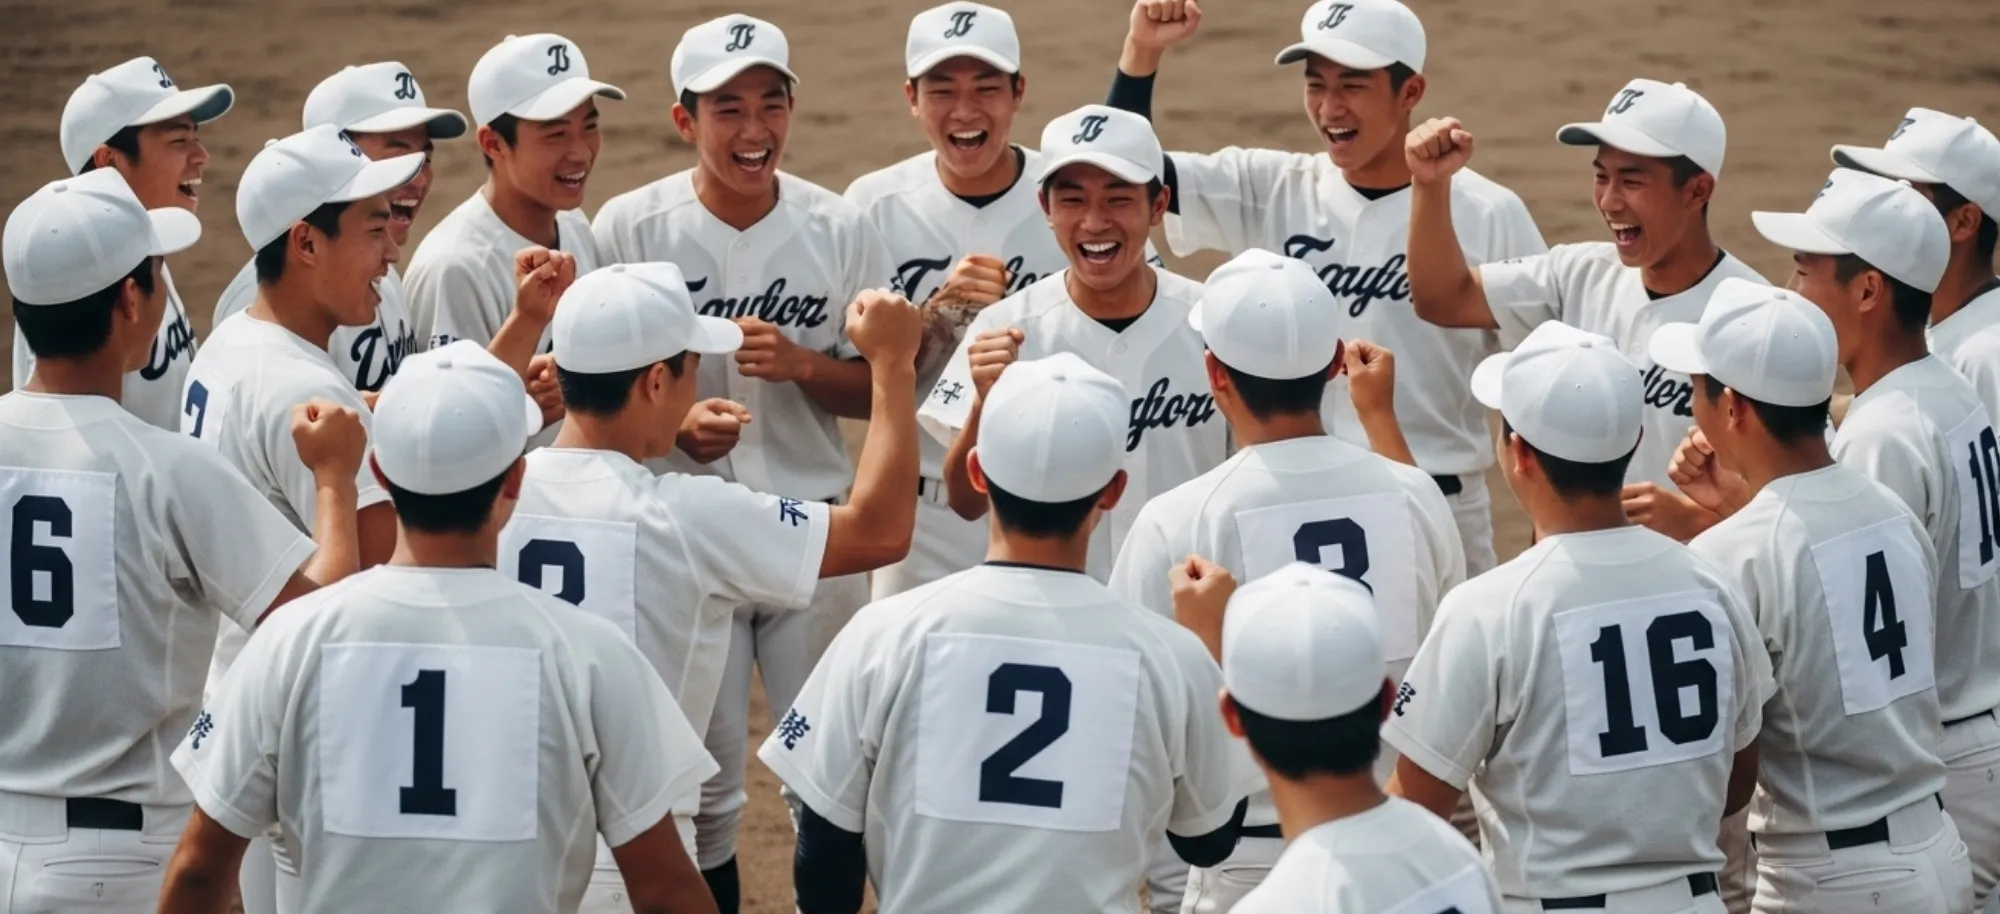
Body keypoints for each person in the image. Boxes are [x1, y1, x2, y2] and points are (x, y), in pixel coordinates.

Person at [157, 342, 720, 914]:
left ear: (378, 470)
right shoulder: (592, 654)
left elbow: (200, 871)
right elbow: (665, 889)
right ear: (515, 480)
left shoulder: (288, 640)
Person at [759, 353, 1258, 914]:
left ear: (977, 471)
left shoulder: (883, 632)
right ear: (1113, 490)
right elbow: (1209, 840)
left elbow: (825, 848)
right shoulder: (1171, 654)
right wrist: (1213, 652)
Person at [589, 17, 895, 904]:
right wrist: (679, 429)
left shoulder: (839, 226)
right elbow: (600, 388)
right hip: (683, 536)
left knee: (830, 781)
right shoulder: (630, 227)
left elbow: (881, 391)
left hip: (815, 528)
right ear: (684, 120)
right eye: (729, 108)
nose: (754, 128)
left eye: (771, 103)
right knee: (706, 788)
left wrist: (805, 367)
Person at [505, 264, 923, 913]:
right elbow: (880, 531)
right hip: (633, 873)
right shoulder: (685, 514)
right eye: (693, 366)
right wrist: (894, 367)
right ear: (655, 380)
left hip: (499, 859)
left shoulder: (490, 495)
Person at [0, 167, 363, 914]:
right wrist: (333, 480)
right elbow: (316, 620)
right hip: (128, 869)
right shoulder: (166, 469)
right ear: (130, 300)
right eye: (156, 272)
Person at [1104, 0, 1545, 576]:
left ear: (1410, 92)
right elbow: (1112, 171)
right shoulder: (1273, 186)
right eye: (1316, 84)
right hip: (1278, 501)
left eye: (1352, 86)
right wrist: (1141, 54)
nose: (1330, 107)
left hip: (1439, 499)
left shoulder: (1488, 212)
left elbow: (1540, 372)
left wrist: (1546, 528)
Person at [1106, 248, 1461, 912]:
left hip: (1247, 863)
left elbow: (1134, 718)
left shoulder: (1177, 519)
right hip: (1402, 842)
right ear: (1333, 364)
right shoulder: (1415, 493)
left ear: (1215, 372)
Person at [1385, 320, 1771, 913]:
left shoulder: (1490, 606)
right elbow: (1736, 781)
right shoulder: (1711, 582)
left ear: (1518, 453)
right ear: (1633, 437)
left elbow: (1414, 809)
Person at [1650, 278, 1972, 912]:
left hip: (1835, 880)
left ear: (1734, 407)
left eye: (1698, 387)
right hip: (1938, 847)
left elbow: (1726, 778)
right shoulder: (1888, 506)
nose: (1692, 403)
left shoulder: (1733, 552)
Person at [849, 1, 1164, 598]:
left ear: (1018, 92)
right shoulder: (872, 204)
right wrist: (933, 324)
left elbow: (1144, 315)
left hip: (1061, 499)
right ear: (911, 97)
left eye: (986, 87)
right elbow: (856, 380)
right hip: (929, 508)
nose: (965, 109)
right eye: (942, 89)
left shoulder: (1074, 184)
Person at [1748, 167, 2000, 913]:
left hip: (1937, 756)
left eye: (1805, 270)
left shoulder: (1886, 434)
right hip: (1972, 733)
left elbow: (1848, 615)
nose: (1793, 291)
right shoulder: (1942, 389)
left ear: (1867, 291)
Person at [1404, 77, 1767, 543]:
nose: (1610, 200)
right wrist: (1429, 186)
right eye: (1601, 176)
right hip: (1569, 574)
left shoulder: (1753, 315)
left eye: (1632, 181)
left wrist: (1699, 523)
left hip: (1689, 591)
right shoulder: (1576, 272)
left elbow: (1797, 492)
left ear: (1697, 191)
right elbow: (1442, 297)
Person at [921, 103, 1229, 583]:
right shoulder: (1004, 326)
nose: (1094, 221)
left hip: (1191, 601)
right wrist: (986, 402)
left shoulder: (1216, 320)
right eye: (1072, 200)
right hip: (1064, 611)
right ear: (1045, 207)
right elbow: (964, 501)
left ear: (1159, 205)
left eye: (1118, 199)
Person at [1167, 562, 1500, 914]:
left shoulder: (1279, 903)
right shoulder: (1461, 860)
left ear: (1233, 719)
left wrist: (1209, 642)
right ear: (1388, 701)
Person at [403, 32, 624, 442]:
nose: (580, 152)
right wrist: (520, 404)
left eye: (589, 126)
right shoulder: (454, 267)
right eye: (555, 135)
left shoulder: (572, 221)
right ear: (494, 143)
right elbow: (442, 439)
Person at [213, 62, 468, 397]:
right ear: (333, 153)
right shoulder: (261, 304)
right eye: (398, 158)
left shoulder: (381, 272)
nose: (419, 179)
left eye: (426, 160)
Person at [13, 56, 232, 431]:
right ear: (108, 162)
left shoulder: (145, 252)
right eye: (179, 140)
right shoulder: (77, 286)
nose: (201, 157)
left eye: (196, 137)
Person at [1832, 108, 2000, 423]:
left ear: (1963, 222)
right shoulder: (1938, 320)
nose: (1882, 209)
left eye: (1905, 193)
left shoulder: (1987, 355)